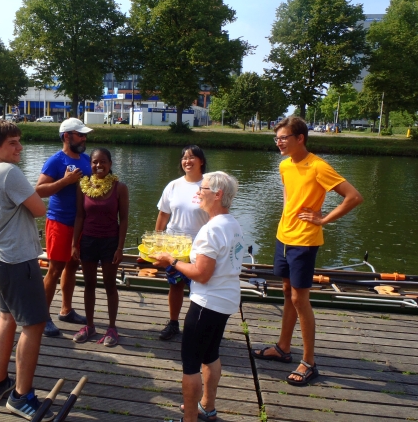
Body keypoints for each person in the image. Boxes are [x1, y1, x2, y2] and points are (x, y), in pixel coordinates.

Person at [252, 116, 363, 386]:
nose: (278, 142)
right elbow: (289, 196)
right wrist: (284, 218)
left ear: (300, 138)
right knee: (288, 293)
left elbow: (354, 196)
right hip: (284, 237)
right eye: (276, 138)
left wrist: (323, 220)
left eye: (283, 138)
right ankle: (283, 348)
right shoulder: (285, 165)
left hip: (304, 241)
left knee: (301, 299)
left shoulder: (318, 166)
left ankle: (309, 362)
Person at [0, 120, 53, 421]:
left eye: (19, 141)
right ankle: (22, 397)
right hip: (17, 260)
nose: (20, 148)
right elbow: (40, 208)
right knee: (33, 325)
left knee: (6, 317)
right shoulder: (9, 172)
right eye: (12, 143)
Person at [153, 171, 244, 422]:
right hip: (226, 300)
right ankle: (207, 406)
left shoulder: (210, 230)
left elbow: (201, 275)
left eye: (202, 189)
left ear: (218, 195)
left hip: (207, 303)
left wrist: (171, 260)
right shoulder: (232, 223)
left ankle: (189, 418)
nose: (197, 192)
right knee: (211, 354)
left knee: (190, 363)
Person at [35, 117, 93, 337]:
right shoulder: (56, 161)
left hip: (81, 224)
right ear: (66, 136)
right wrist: (64, 182)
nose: (84, 138)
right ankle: (42, 316)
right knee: (55, 268)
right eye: (80, 134)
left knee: (72, 267)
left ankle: (66, 310)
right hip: (59, 221)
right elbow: (39, 190)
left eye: (85, 134)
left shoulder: (87, 159)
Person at [71, 148, 129, 346]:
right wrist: (74, 244)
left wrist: (120, 247)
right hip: (88, 240)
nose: (98, 166)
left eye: (103, 162)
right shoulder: (83, 186)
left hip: (110, 242)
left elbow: (125, 219)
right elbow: (79, 216)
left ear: (110, 164)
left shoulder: (119, 187)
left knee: (110, 285)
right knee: (89, 285)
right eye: (95, 162)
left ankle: (112, 327)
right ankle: (89, 325)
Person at [155, 145, 209, 341]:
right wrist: (158, 241)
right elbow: (163, 215)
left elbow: (217, 215)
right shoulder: (173, 185)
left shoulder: (209, 184)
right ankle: (173, 323)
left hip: (201, 246)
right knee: (176, 285)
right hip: (174, 246)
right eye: (184, 158)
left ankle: (198, 326)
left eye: (192, 157)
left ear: (201, 161)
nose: (187, 161)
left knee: (200, 287)